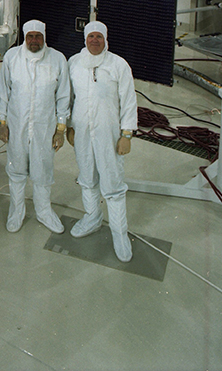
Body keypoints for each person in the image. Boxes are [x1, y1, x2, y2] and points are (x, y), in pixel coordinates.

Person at [67, 20, 138, 263]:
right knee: (87, 176)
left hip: (110, 133)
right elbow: (69, 97)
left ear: (105, 39)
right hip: (83, 131)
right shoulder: (74, 63)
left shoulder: (118, 65)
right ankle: (93, 218)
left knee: (113, 182)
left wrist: (127, 134)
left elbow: (129, 101)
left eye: (99, 37)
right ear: (85, 39)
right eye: (91, 37)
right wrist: (67, 126)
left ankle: (119, 233)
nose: (94, 41)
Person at [0, 19, 70, 234]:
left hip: (44, 129)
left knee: (42, 171)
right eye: (30, 36)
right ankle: (16, 212)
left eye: (38, 36)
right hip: (16, 127)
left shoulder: (57, 59)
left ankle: (44, 211)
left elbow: (63, 97)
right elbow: (3, 93)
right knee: (17, 171)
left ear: (44, 37)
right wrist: (1, 122)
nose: (34, 40)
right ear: (24, 37)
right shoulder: (12, 58)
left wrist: (60, 129)